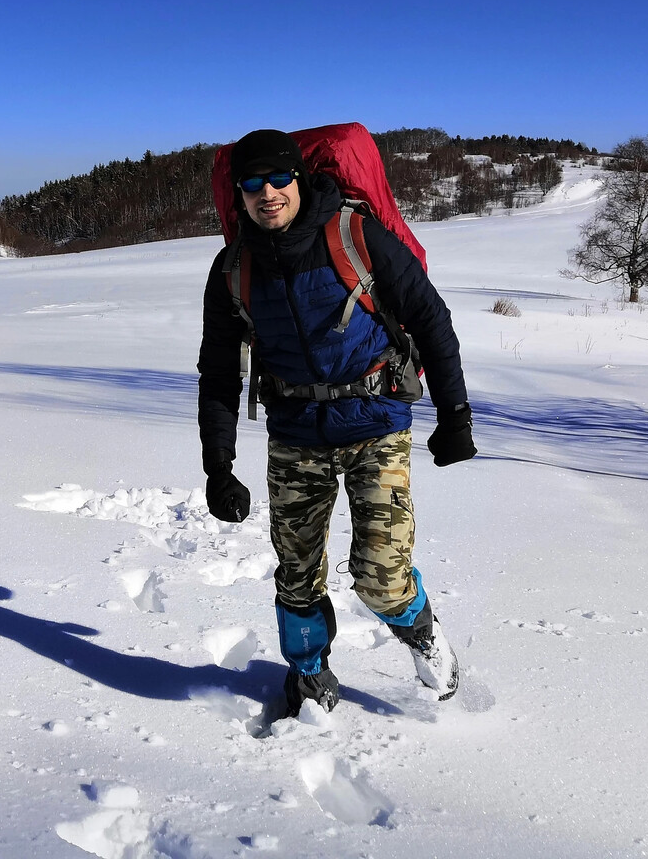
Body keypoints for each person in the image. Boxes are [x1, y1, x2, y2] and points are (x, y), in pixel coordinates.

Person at [197, 129, 477, 713]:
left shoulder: (354, 236)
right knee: (295, 576)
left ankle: (420, 629)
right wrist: (216, 466)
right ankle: (309, 675)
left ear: (299, 178)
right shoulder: (232, 268)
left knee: (381, 576)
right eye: (251, 183)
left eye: (278, 178)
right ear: (238, 193)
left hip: (375, 421)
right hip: (296, 434)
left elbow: (429, 316)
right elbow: (219, 373)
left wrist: (454, 413)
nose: (266, 192)